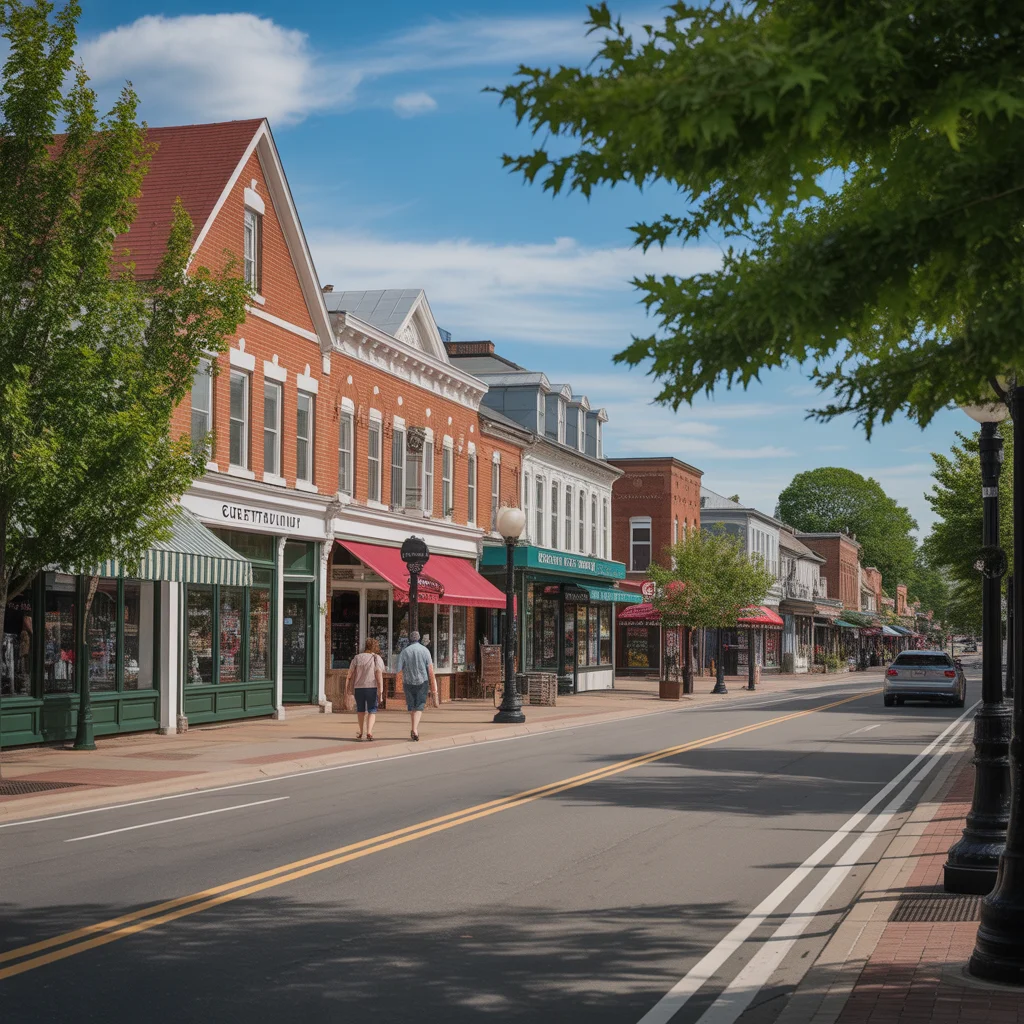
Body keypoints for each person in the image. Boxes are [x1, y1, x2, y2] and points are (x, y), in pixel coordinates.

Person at [396, 629, 437, 741]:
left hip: (408, 681)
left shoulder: (405, 651)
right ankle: (414, 729)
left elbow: (398, 669)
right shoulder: (425, 651)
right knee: (419, 706)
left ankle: (414, 728)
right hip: (422, 681)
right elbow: (430, 669)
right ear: (419, 638)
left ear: (410, 639)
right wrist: (434, 686)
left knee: (411, 706)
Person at [345, 637, 385, 741]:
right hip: (372, 687)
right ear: (375, 647)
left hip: (359, 688)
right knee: (372, 710)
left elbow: (349, 674)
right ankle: (369, 732)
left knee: (360, 710)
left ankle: (361, 731)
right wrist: (380, 691)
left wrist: (347, 689)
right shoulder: (377, 658)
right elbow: (379, 675)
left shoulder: (357, 658)